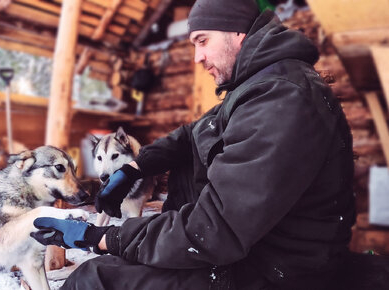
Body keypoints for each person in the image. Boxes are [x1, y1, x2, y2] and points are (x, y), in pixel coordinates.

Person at [31, 0, 358, 288]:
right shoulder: (257, 86)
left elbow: (216, 229)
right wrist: (134, 168)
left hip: (272, 268)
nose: (197, 57)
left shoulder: (282, 97)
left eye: (203, 41)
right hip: (243, 247)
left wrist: (101, 238)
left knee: (95, 278)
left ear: (238, 34)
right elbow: (192, 134)